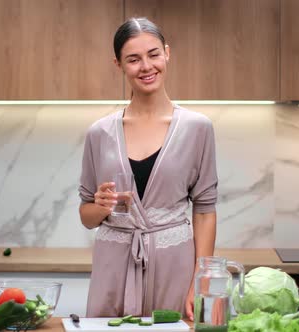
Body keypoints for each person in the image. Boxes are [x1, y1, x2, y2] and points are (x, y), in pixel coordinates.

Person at [78, 17, 218, 320]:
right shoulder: (99, 133)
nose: (146, 66)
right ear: (118, 64)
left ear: (167, 53)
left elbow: (205, 210)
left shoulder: (197, 128)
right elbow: (86, 216)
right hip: (113, 265)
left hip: (174, 265)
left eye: (153, 54)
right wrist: (100, 207)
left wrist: (200, 281)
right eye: (133, 59)